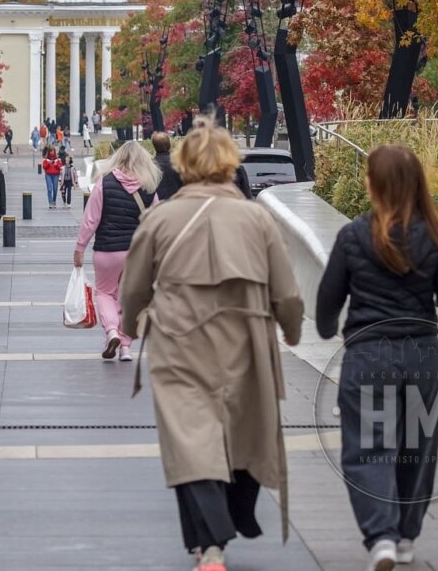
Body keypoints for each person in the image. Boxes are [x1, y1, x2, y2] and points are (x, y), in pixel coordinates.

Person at [119, 118, 303, 571]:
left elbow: (134, 288)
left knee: (190, 442)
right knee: (244, 437)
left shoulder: (161, 218)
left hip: (178, 343)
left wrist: (129, 324)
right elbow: (288, 293)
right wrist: (291, 330)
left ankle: (210, 544)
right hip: (246, 344)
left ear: (183, 165)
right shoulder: (257, 217)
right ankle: (219, 535)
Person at [316, 145, 438, 571]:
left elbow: (327, 302)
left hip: (369, 357)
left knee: (370, 449)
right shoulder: (436, 236)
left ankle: (381, 538)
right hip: (422, 357)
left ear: (375, 184)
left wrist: (326, 326)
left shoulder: (354, 235)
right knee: (417, 450)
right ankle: (406, 534)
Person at [73, 141, 160, 361]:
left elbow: (90, 219)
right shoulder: (149, 187)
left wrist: (80, 248)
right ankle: (125, 348)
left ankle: (111, 332)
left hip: (107, 251)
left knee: (104, 292)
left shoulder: (105, 183)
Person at [151, 132, 183, 201]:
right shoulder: (178, 162)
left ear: (154, 146)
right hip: (178, 200)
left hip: (159, 203)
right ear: (169, 144)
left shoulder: (150, 165)